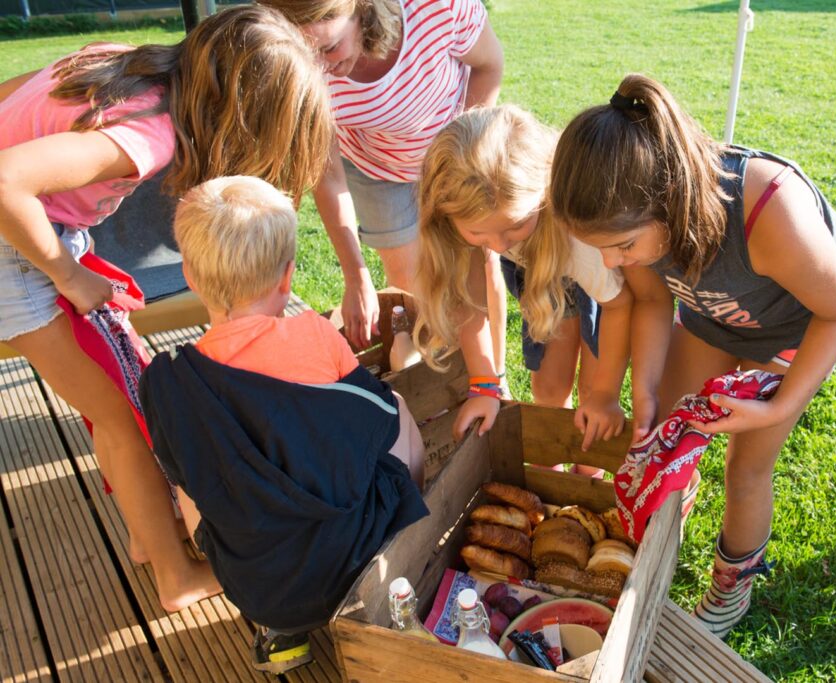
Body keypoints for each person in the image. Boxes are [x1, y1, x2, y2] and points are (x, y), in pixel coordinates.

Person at [0, 5, 334, 612]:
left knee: (119, 388)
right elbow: (4, 180)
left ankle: (146, 530)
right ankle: (177, 578)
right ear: (242, 116)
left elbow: (14, 96)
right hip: (12, 250)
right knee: (120, 419)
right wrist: (67, 274)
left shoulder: (132, 62)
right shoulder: (147, 135)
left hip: (39, 231)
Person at [549, 74, 836, 636]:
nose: (614, 263)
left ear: (667, 202)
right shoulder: (635, 217)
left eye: (622, 247)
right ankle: (664, 536)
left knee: (746, 467)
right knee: (665, 436)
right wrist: (643, 393)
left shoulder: (767, 208)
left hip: (796, 324)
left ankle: (731, 584)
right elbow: (649, 300)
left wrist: (775, 408)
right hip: (712, 314)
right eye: (602, 251)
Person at [140, 176, 429, 674]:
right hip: (358, 559)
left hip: (255, 582)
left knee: (190, 471)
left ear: (189, 273)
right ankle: (405, 539)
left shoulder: (171, 380)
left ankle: (281, 635)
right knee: (393, 408)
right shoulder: (314, 335)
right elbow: (369, 415)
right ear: (287, 277)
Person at [258, 0, 507, 363]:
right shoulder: (304, 64)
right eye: (306, 55)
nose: (321, 67)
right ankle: (434, 383)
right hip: (377, 168)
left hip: (457, 149)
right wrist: (356, 276)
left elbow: (489, 65)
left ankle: (492, 378)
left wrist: (462, 157)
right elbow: (327, 176)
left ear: (363, 10)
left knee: (478, 266)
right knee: (412, 287)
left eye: (328, 48)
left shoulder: (436, 8)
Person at [416, 105, 632, 452]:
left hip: (601, 281)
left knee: (594, 394)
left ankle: (589, 471)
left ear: (540, 195)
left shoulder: (581, 242)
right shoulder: (473, 209)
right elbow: (469, 297)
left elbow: (620, 305)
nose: (499, 245)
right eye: (480, 235)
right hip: (541, 270)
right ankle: (553, 468)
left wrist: (607, 395)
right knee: (547, 389)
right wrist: (484, 385)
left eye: (514, 225)